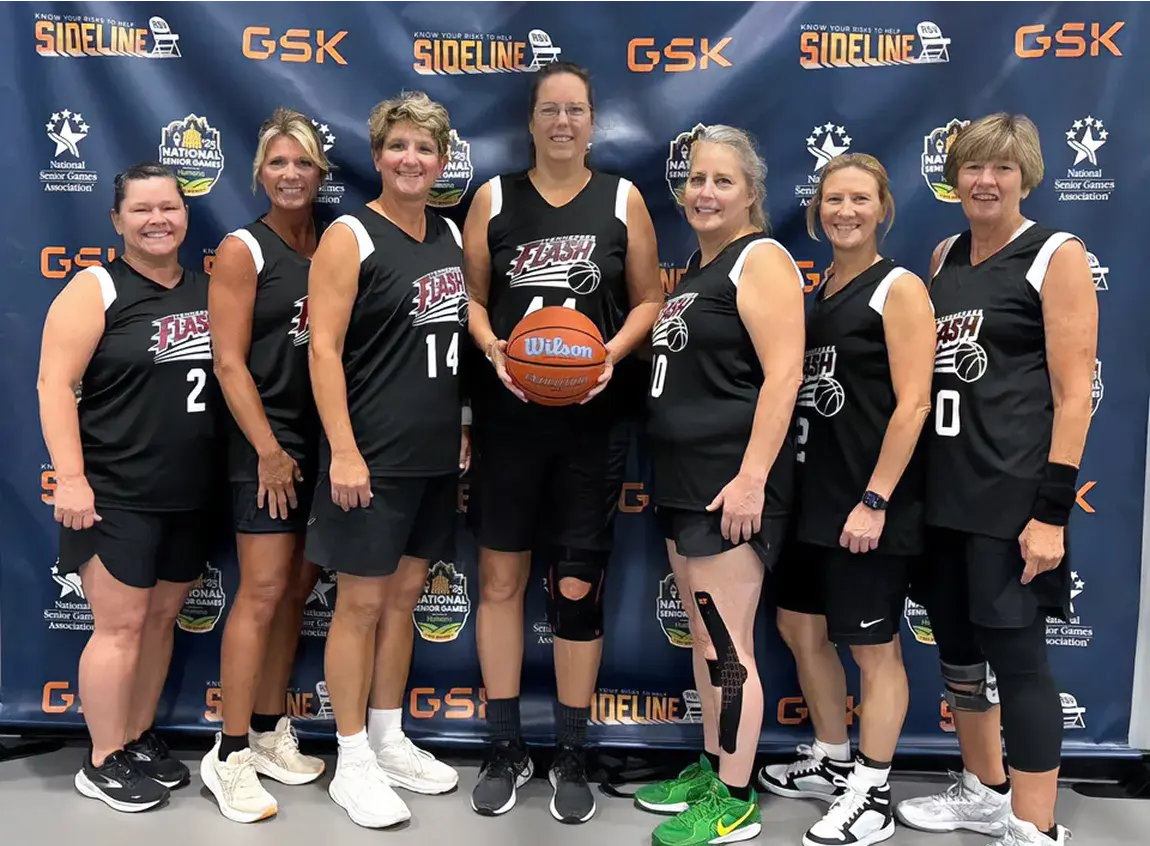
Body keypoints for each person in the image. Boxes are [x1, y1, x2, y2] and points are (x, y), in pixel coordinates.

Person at [462, 60, 662, 823]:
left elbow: (649, 297)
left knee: (577, 588)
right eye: (550, 110)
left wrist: (607, 354)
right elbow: (473, 299)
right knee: (502, 583)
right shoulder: (494, 197)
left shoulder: (622, 198)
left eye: (576, 110)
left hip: (592, 425)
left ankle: (571, 750)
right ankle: (505, 743)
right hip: (509, 419)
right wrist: (496, 352)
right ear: (532, 120)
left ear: (592, 119)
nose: (562, 123)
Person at [893, 113, 1097, 846]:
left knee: (1017, 659)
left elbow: (1076, 394)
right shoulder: (944, 254)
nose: (985, 181)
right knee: (957, 653)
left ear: (1026, 177)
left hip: (1008, 498)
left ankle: (1035, 825)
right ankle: (985, 788)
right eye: (974, 167)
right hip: (941, 494)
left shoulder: (1055, 254)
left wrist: (1051, 510)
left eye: (1002, 169)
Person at [634, 124, 805, 846]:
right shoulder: (702, 270)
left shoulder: (759, 258)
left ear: (752, 195)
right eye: (697, 180)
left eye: (722, 181)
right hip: (682, 481)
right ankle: (713, 766)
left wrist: (752, 478)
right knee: (707, 640)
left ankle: (734, 798)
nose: (705, 192)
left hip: (728, 484)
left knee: (729, 647)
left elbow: (785, 374)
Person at [761, 153, 935, 846]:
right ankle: (833, 757)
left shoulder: (898, 288)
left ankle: (874, 788)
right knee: (800, 630)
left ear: (883, 207)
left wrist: (876, 497)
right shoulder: (824, 286)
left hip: (869, 503)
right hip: (814, 497)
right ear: (817, 208)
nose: (845, 211)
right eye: (833, 199)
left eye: (860, 199)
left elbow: (915, 400)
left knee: (874, 650)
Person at [305, 91, 467, 829]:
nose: (411, 159)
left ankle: (387, 734)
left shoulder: (451, 234)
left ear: (442, 159)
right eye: (399, 146)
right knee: (361, 605)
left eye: (425, 149)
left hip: (433, 452)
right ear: (378, 156)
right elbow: (325, 349)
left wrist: (462, 423)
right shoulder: (350, 235)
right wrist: (342, 448)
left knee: (403, 601)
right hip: (370, 454)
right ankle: (351, 758)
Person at [37, 162, 219, 812]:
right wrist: (73, 478)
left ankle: (136, 737)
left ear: (186, 213)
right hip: (116, 490)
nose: (156, 219)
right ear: (117, 221)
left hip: (190, 493)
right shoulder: (96, 288)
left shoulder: (207, 289)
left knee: (161, 620)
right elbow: (53, 385)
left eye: (167, 207)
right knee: (118, 629)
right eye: (141, 209)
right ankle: (101, 758)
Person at [200, 108, 330, 823]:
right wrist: (269, 451)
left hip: (321, 439)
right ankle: (228, 753)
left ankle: (270, 728)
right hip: (266, 442)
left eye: (303, 163)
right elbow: (227, 361)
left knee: (295, 590)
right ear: (259, 173)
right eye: (278, 163)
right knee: (261, 589)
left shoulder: (331, 244)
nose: (290, 175)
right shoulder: (244, 248)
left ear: (320, 173)